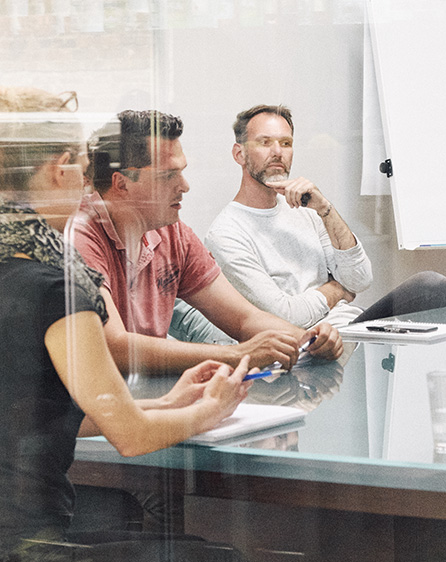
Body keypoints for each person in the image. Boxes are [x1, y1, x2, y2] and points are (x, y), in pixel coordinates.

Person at [0, 116, 255, 562]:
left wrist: (169, 404)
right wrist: (210, 409)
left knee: (151, 553)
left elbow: (47, 416)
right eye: (78, 165)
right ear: (59, 169)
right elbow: (128, 437)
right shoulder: (53, 285)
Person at [70, 110, 343, 374]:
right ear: (121, 183)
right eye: (168, 175)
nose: (184, 186)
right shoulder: (80, 236)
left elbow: (244, 318)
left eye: (181, 171)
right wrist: (237, 355)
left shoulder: (173, 233)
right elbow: (113, 347)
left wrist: (308, 340)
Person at [205, 104, 446, 328]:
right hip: (311, 344)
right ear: (239, 154)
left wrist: (324, 209)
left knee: (440, 298)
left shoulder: (306, 211)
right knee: (431, 287)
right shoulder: (226, 233)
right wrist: (336, 289)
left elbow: (360, 279)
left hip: (352, 326)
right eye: (265, 142)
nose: (278, 152)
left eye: (286, 143)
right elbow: (287, 316)